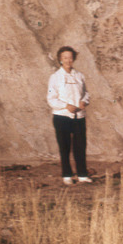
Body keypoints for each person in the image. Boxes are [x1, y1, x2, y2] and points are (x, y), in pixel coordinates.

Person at [47, 46, 92, 185]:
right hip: (62, 117)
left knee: (80, 147)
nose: (68, 60)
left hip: (79, 116)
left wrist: (83, 101)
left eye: (70, 57)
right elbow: (51, 99)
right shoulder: (55, 77)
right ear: (60, 59)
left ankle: (82, 175)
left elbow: (86, 93)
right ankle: (67, 175)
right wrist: (66, 106)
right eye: (65, 58)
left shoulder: (79, 75)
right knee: (64, 147)